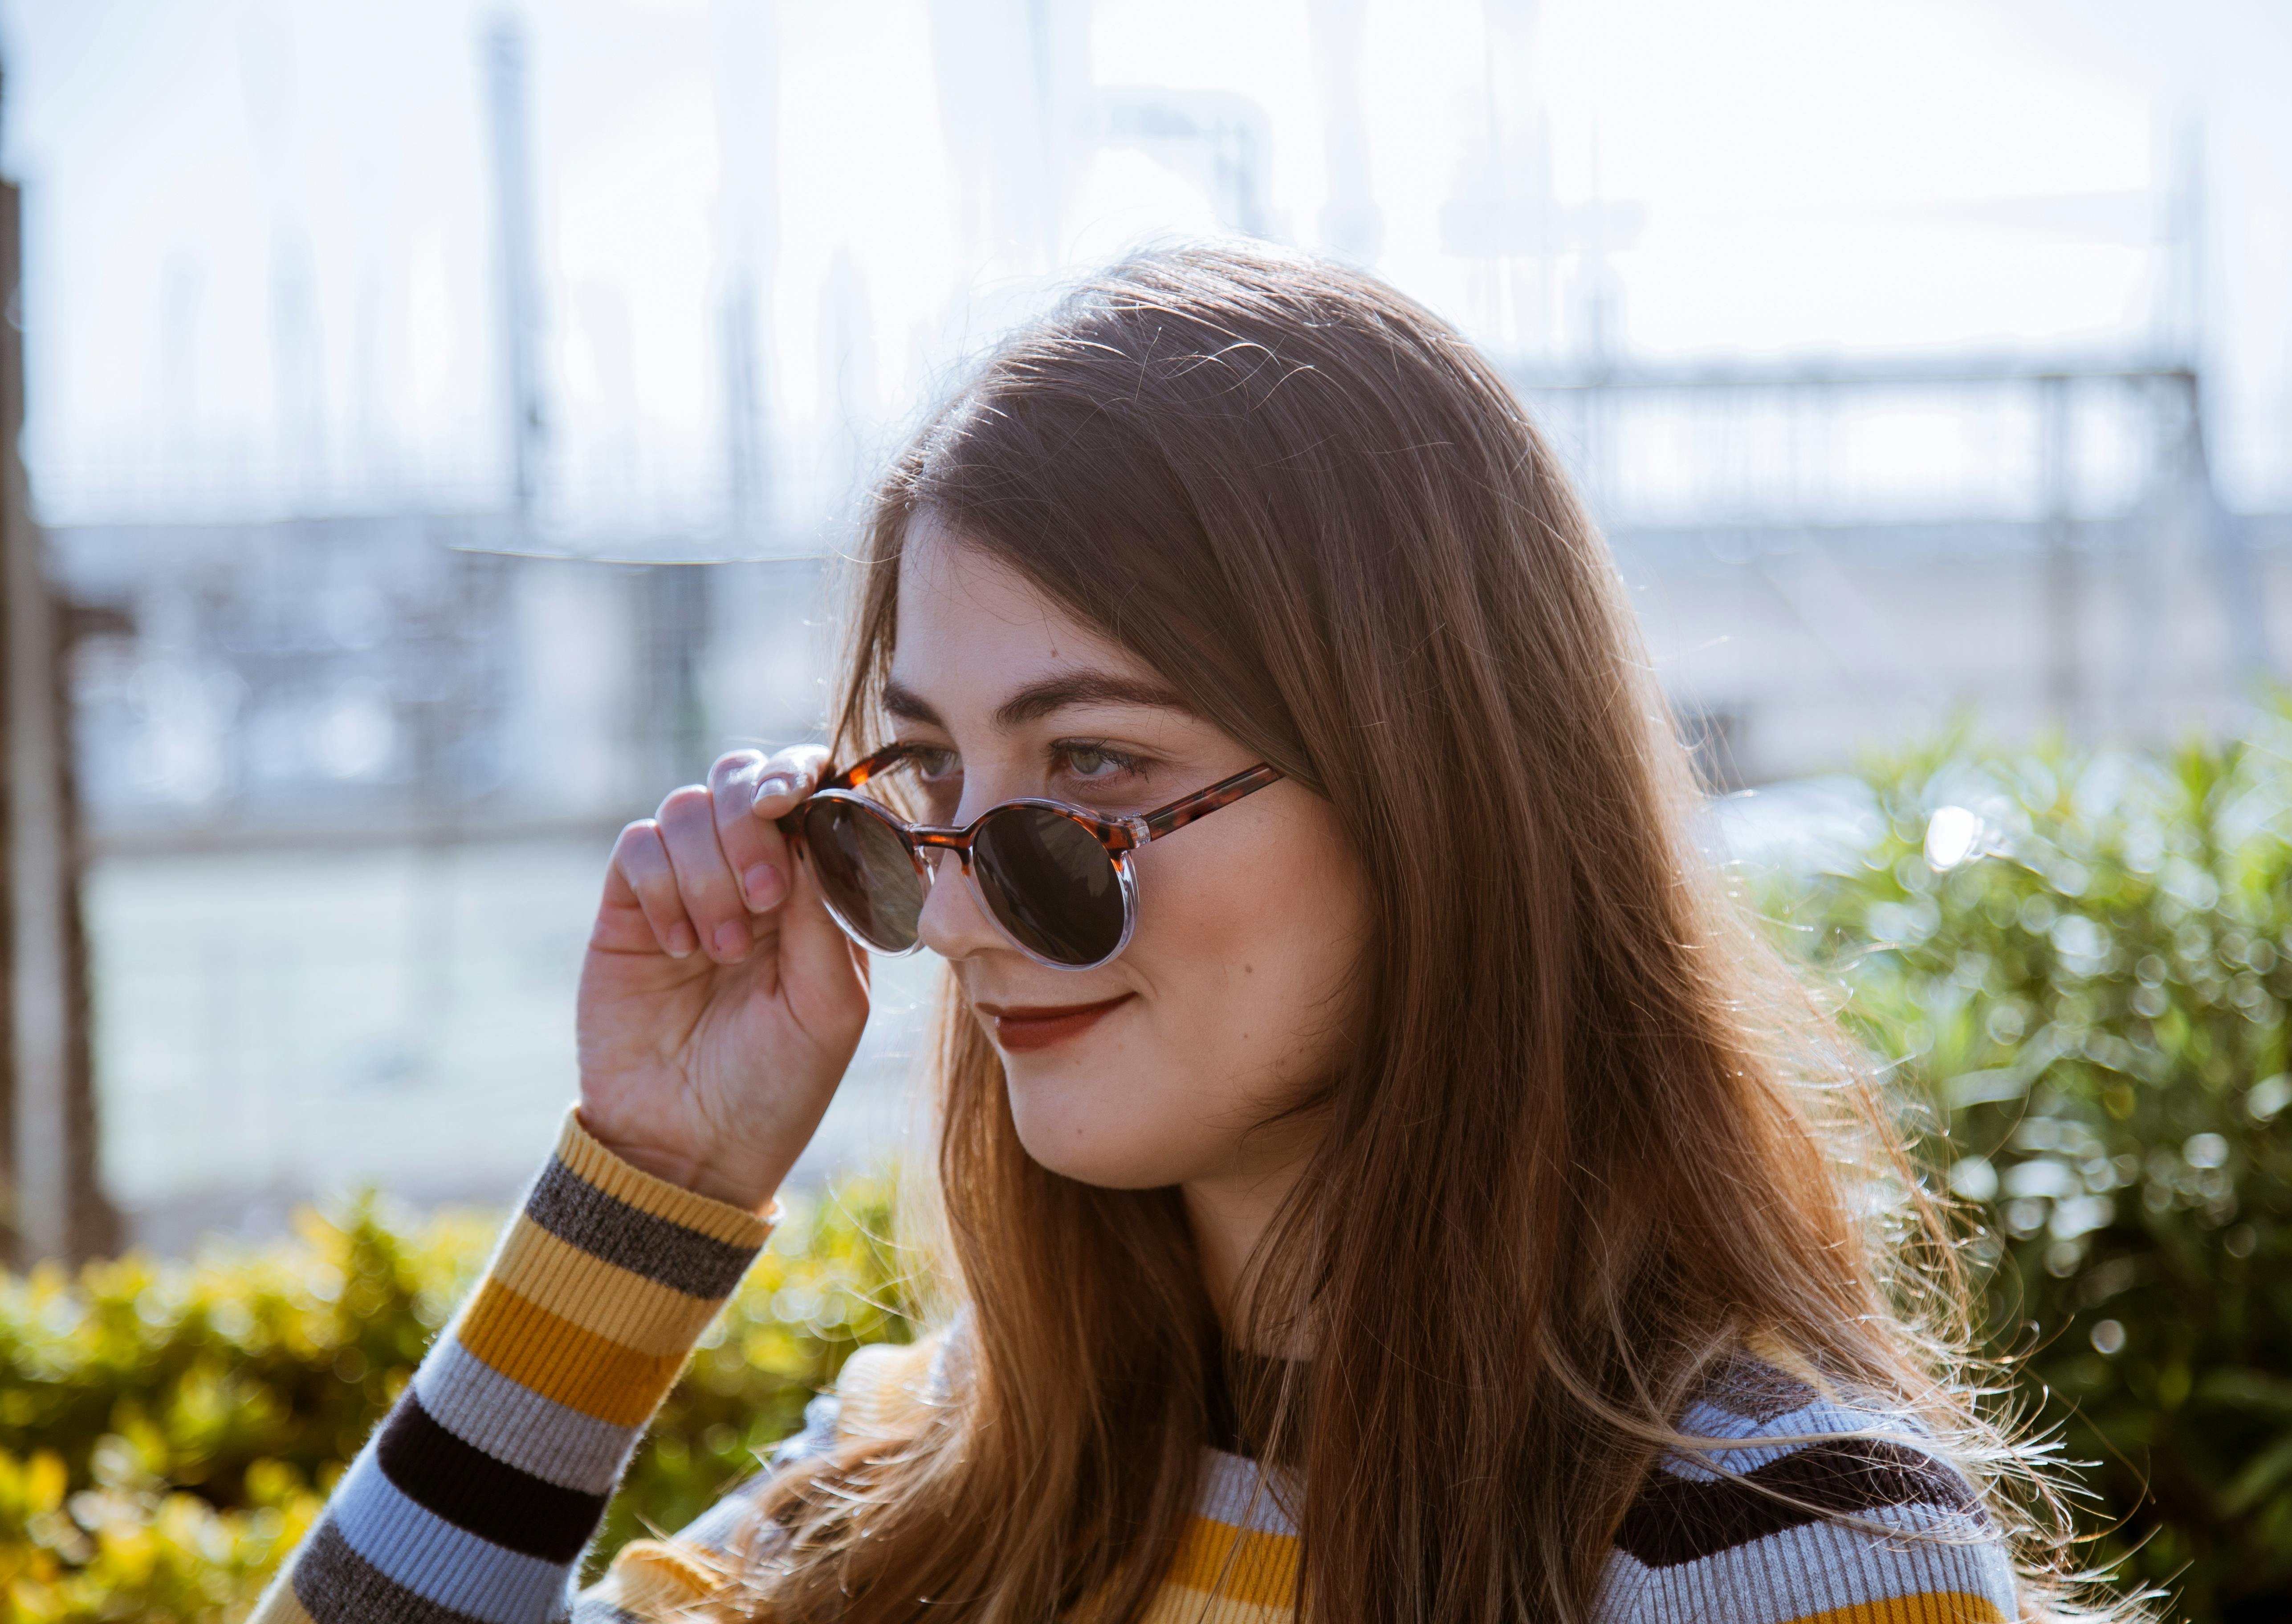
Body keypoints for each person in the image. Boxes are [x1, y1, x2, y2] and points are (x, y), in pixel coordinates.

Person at [249, 244, 2109, 1624]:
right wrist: (652, 1176)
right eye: (912, 795)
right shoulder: (931, 1464)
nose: (966, 905)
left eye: (1090, 779)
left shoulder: (1776, 1558)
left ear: (1430, 790)